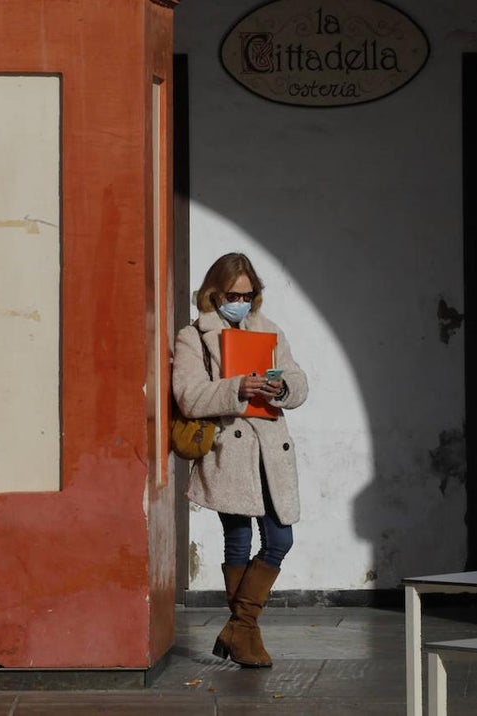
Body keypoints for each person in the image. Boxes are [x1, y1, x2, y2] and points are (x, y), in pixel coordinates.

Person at [171, 252, 309, 668]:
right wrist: (238, 388)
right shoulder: (193, 337)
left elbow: (300, 384)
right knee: (239, 540)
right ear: (215, 294)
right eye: (234, 294)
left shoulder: (269, 331)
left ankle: (239, 626)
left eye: (249, 295)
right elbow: (189, 397)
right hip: (228, 452)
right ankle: (245, 633)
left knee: (280, 539)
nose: (242, 302)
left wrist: (281, 387)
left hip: (270, 449)